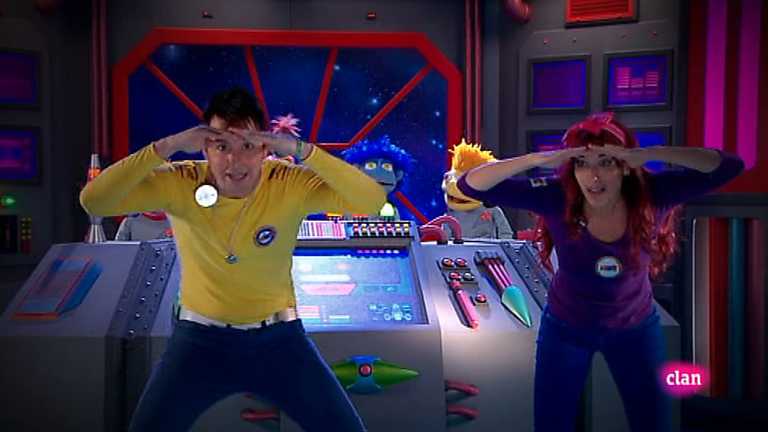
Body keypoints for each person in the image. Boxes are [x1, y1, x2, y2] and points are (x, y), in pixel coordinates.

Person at [80, 87, 385, 431]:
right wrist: (166, 146)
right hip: (198, 342)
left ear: (266, 149)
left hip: (280, 341)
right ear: (205, 148)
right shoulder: (180, 181)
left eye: (248, 146)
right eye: (221, 146)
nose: (234, 161)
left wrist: (302, 150)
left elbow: (371, 201)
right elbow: (95, 201)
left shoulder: (288, 182)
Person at [457, 112, 743, 431]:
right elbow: (470, 184)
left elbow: (729, 166)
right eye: (582, 163)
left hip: (635, 330)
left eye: (606, 162)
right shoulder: (556, 196)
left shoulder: (652, 194)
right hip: (566, 329)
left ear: (625, 166)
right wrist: (537, 159)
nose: (593, 176)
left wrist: (651, 154)